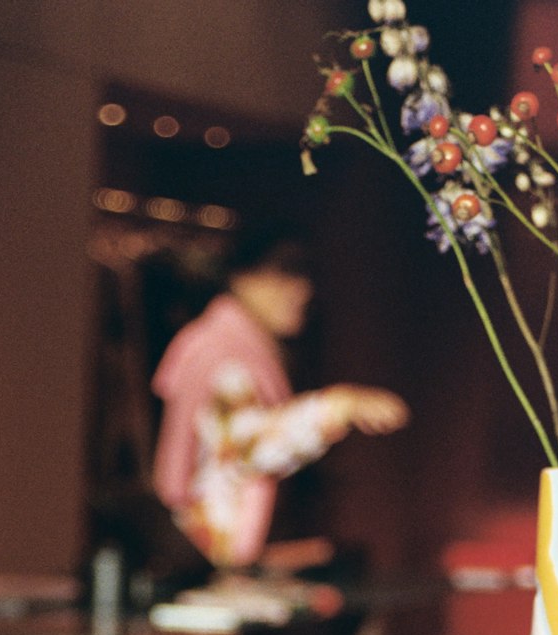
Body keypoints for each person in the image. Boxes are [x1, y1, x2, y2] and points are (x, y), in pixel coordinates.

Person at [151, 226, 410, 568]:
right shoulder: (223, 354)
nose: (302, 291)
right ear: (242, 279)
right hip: (202, 560)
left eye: (302, 278)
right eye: (283, 276)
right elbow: (246, 442)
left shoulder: (233, 346)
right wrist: (336, 407)